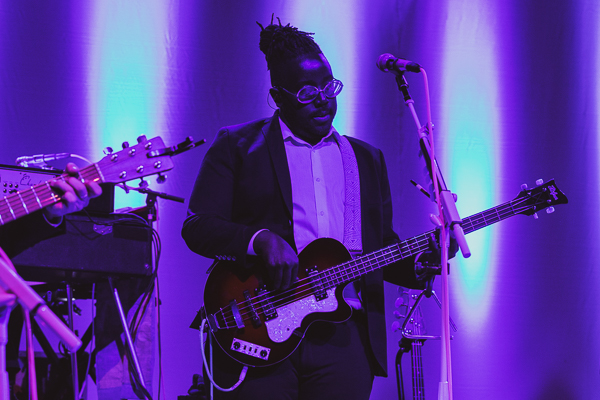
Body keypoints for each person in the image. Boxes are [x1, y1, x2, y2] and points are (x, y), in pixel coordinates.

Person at [182, 19, 440, 400]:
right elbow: (198, 226)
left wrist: (424, 261)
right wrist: (259, 239)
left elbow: (380, 248)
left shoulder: (366, 159)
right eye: (306, 92)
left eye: (328, 87)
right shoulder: (238, 146)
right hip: (262, 325)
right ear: (277, 96)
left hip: (344, 336)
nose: (322, 99)